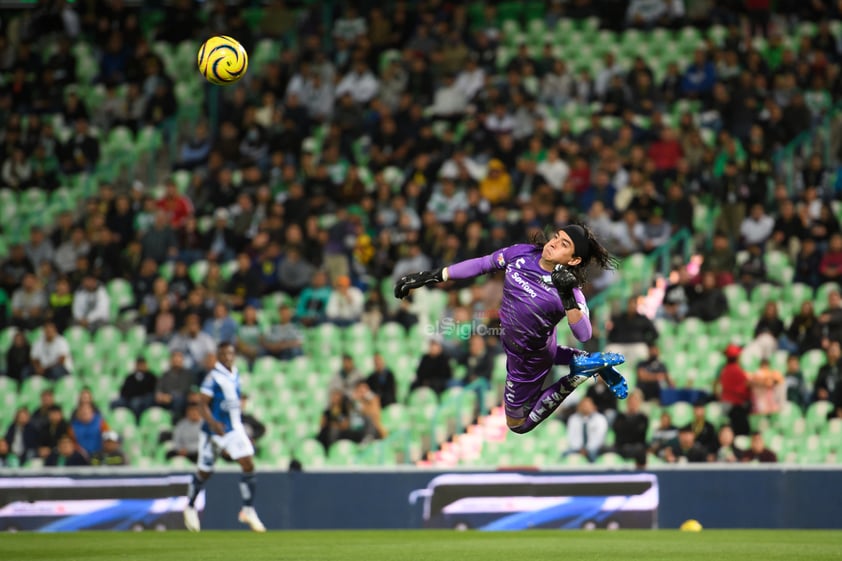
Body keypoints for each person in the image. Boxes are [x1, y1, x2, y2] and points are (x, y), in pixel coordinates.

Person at [395, 222, 627, 434]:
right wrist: (435, 275)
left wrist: (567, 296)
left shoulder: (570, 289)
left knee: (518, 425)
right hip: (538, 346)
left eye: (564, 244)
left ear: (574, 260)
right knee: (545, 353)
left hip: (524, 360)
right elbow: (483, 264)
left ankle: (577, 375)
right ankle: (584, 361)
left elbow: (584, 333)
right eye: (557, 236)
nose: (554, 243)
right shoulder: (522, 253)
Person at [184, 342, 266, 533]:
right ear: (219, 356)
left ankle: (247, 509)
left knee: (248, 463)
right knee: (205, 472)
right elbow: (202, 405)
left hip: (234, 429)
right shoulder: (213, 377)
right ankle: (189, 506)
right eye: (223, 354)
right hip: (214, 431)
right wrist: (213, 424)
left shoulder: (236, 373)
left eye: (230, 353)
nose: (228, 356)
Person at [111, 357, 158, 421]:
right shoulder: (130, 377)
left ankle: (136, 422)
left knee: (135, 403)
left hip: (143, 399)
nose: (140, 366)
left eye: (142, 364)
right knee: (115, 403)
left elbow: (153, 391)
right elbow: (123, 391)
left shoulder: (151, 377)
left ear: (146, 365)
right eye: (139, 364)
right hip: (128, 398)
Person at [611, 389, 649, 467]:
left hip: (636, 447)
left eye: (635, 400)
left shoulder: (643, 418)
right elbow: (618, 433)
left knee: (640, 450)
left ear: (640, 402)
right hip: (620, 447)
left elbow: (640, 436)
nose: (633, 403)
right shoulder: (620, 417)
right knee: (603, 449)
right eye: (631, 400)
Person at [565, 397, 608, 462]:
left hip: (594, 448)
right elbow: (571, 436)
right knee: (565, 454)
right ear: (578, 407)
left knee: (593, 454)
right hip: (577, 448)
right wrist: (579, 449)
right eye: (583, 405)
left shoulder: (600, 419)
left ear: (594, 406)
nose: (585, 407)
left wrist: (587, 449)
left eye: (587, 405)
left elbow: (600, 438)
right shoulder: (573, 419)